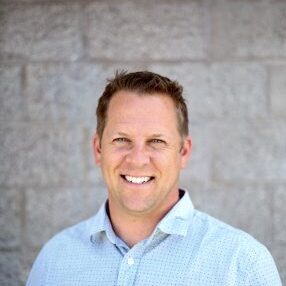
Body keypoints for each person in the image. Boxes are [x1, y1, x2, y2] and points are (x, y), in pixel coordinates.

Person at [27, 71, 282, 285]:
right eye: (121, 140)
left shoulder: (242, 264)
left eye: (156, 141)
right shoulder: (54, 261)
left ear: (183, 152)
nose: (137, 159)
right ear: (98, 149)